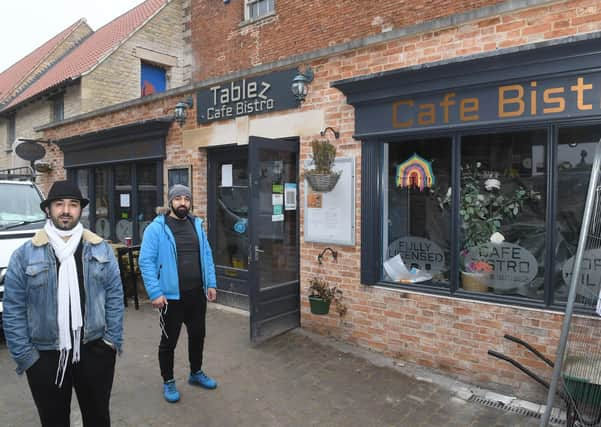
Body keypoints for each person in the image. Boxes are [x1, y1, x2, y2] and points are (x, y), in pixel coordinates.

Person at [2, 180, 124, 427]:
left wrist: (111, 342)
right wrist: (26, 356)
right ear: (48, 210)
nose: (66, 210)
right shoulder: (24, 254)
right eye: (59, 204)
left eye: (73, 204)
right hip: (45, 355)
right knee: (54, 421)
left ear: (81, 210)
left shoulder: (100, 249)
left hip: (94, 350)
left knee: (99, 418)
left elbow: (114, 297)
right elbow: (13, 308)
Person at [139, 184, 218, 403]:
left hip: (196, 295)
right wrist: (155, 293)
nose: (182, 203)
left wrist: (210, 283)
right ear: (170, 202)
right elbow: (145, 261)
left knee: (197, 335)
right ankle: (168, 381)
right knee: (169, 342)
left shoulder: (197, 225)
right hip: (170, 298)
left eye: (186, 198)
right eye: (178, 199)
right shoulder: (157, 228)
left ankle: (196, 372)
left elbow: (207, 255)